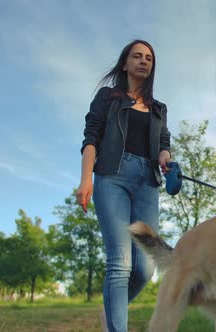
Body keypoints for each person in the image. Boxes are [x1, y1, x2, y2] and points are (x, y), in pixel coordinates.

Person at [77, 39, 172, 332]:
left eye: (149, 58)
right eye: (137, 56)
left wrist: (166, 159)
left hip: (147, 182)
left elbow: (164, 142)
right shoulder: (109, 97)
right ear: (125, 62)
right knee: (120, 262)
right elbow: (92, 137)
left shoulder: (158, 108)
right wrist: (86, 179)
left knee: (146, 268)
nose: (144, 61)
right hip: (112, 176)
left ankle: (111, 313)